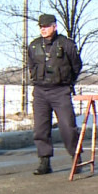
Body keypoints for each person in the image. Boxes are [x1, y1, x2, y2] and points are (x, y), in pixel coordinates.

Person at [28, 14, 83, 175]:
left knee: (68, 126)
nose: (43, 29)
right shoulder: (34, 46)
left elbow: (76, 65)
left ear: (55, 26)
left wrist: (67, 81)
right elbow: (31, 66)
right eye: (41, 27)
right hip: (40, 91)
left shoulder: (66, 44)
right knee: (40, 128)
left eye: (46, 26)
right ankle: (44, 160)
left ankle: (75, 157)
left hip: (60, 90)